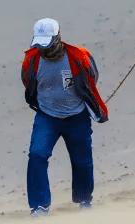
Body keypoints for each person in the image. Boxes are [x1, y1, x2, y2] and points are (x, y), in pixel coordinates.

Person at [21, 18, 108, 216]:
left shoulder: (79, 57)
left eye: (48, 43)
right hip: (47, 117)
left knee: (82, 160)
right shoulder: (31, 60)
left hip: (77, 116)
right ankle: (39, 205)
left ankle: (84, 199)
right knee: (37, 155)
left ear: (58, 38)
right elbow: (27, 81)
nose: (44, 49)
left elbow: (92, 78)